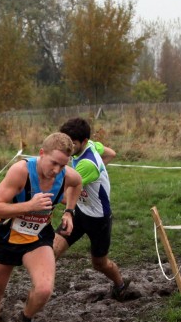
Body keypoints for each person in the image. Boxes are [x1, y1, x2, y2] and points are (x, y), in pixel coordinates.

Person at [0, 132, 82, 322]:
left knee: (45, 289)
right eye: (53, 163)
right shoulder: (21, 172)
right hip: (7, 238)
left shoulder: (65, 176)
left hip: (37, 238)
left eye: (62, 166)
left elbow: (78, 182)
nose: (56, 170)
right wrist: (29, 206)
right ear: (41, 153)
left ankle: (25, 318)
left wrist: (69, 212)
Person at [54, 118, 130, 300]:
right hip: (79, 213)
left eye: (72, 144)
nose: (68, 147)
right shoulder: (92, 146)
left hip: (98, 220)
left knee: (99, 263)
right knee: (51, 250)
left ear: (84, 141)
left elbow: (63, 194)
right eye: (66, 142)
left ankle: (120, 284)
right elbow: (111, 153)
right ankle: (42, 290)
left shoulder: (87, 164)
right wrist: (101, 169)